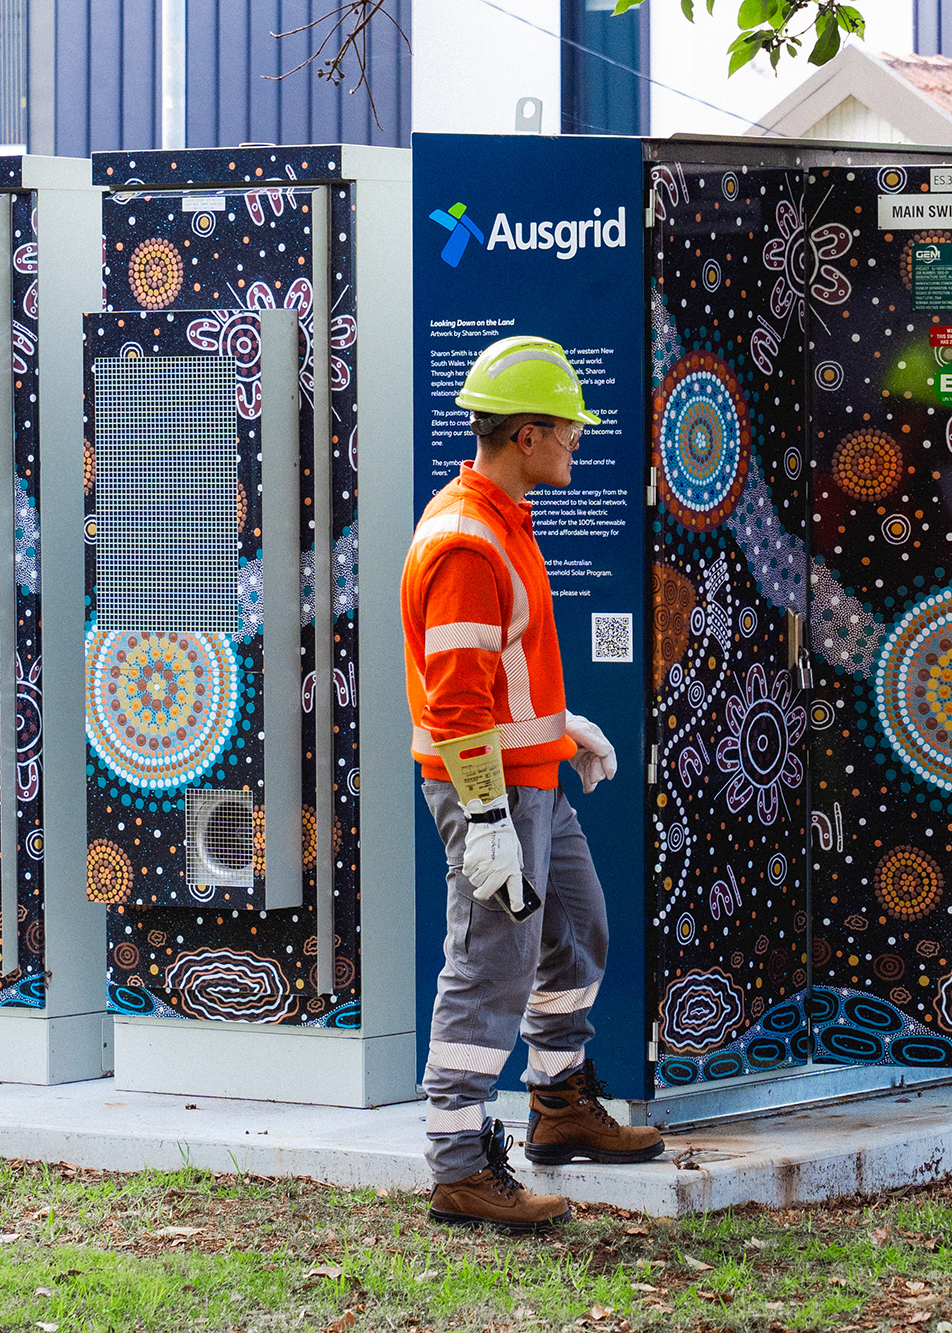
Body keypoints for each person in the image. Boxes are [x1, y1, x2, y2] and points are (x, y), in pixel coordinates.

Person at [403, 335, 665, 1234]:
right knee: (490, 964)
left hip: (533, 782)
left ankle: (557, 1105)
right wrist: (485, 819)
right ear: (523, 434)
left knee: (578, 923)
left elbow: (498, 675)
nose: (577, 443)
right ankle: (458, 1166)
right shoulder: (470, 541)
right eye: (566, 429)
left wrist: (559, 730)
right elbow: (455, 703)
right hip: (493, 795)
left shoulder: (505, 519)